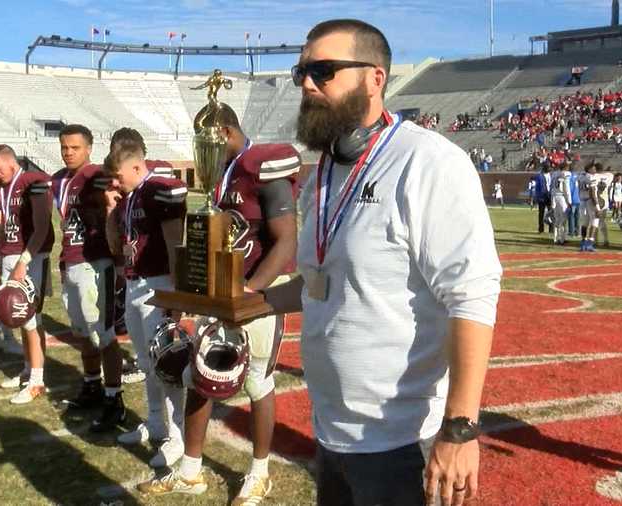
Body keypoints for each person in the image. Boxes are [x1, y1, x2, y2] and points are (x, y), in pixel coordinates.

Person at [245, 19, 501, 506]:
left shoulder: (427, 162)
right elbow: (320, 283)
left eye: (323, 71)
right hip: (332, 431)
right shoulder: (325, 171)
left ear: (375, 78)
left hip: (403, 441)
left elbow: (472, 296)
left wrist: (461, 429)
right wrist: (253, 302)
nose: (306, 83)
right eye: (302, 71)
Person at [141, 103, 300, 505]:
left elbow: (286, 240)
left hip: (260, 289)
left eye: (207, 142)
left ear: (227, 132)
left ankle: (259, 472)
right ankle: (191, 470)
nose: (202, 151)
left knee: (255, 379)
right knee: (202, 370)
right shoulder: (220, 176)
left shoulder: (262, 165)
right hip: (223, 287)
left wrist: (253, 288)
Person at [103, 128, 188, 469]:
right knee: (146, 362)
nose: (115, 182)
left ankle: (178, 436)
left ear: (136, 168)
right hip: (135, 283)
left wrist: (177, 293)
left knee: (166, 365)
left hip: (158, 285)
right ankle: (154, 422)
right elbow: (115, 246)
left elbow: (175, 244)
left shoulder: (158, 192)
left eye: (118, 176)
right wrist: (112, 208)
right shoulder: (129, 197)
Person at [51, 124, 125, 430]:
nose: (69, 152)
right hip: (71, 260)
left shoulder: (98, 176)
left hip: (96, 262)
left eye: (75, 147)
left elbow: (118, 206)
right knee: (81, 333)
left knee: (103, 334)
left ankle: (114, 398)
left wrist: (118, 260)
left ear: (89, 148)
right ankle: (93, 385)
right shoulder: (58, 179)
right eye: (65, 147)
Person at [0, 145, 55, 404]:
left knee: (31, 317)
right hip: (9, 253)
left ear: (11, 163)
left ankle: (37, 380)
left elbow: (42, 226)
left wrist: (24, 261)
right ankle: (28, 369)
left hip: (31, 257)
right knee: (18, 317)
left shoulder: (31, 182)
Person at [551, 163, 572, 245]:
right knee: (563, 219)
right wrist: (569, 201)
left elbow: (552, 187)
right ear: (566, 167)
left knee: (557, 219)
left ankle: (555, 238)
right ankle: (562, 239)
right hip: (561, 197)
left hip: (554, 196)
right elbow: (566, 189)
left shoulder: (554, 174)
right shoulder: (565, 174)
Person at [534, 165, 552, 233]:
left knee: (551, 212)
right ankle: (541, 228)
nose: (549, 169)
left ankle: (551, 228)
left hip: (549, 195)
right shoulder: (539, 176)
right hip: (542, 196)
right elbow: (537, 187)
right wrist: (537, 196)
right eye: (548, 168)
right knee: (541, 213)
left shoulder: (550, 175)